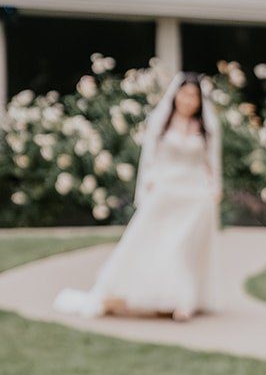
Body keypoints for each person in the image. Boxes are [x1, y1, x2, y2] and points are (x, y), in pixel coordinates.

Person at [53, 71, 222, 322]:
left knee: (184, 246)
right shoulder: (162, 121)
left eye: (193, 96)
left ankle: (184, 298)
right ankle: (163, 295)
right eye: (185, 94)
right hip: (167, 190)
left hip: (194, 194)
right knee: (160, 244)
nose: (188, 100)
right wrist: (149, 185)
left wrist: (214, 188)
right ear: (176, 96)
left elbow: (211, 161)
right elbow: (150, 158)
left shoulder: (206, 127)